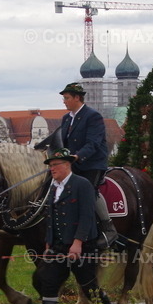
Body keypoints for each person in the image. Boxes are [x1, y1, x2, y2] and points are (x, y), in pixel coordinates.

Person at [32, 147, 111, 304]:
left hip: (82, 245)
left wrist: (77, 243)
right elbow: (50, 217)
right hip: (58, 246)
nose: (52, 169)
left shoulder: (81, 184)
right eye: (50, 166)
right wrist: (49, 243)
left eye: (55, 165)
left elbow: (86, 216)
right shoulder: (53, 187)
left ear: (67, 165)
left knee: (88, 285)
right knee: (47, 281)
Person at [56, 82, 116, 245]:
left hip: (92, 163)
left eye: (67, 98)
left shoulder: (92, 116)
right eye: (64, 98)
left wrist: (78, 156)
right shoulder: (66, 118)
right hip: (73, 163)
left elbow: (94, 143)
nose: (64, 101)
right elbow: (65, 144)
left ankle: (108, 227)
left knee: (89, 190)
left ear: (77, 98)